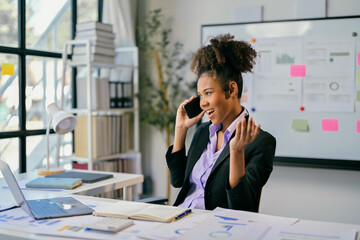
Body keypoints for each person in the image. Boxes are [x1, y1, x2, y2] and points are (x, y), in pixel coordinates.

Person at [165, 34, 276, 212]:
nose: (202, 102)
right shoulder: (202, 132)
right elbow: (177, 181)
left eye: (208, 93)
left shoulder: (260, 142)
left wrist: (237, 151)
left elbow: (243, 207)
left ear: (231, 89)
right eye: (200, 95)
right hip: (180, 218)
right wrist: (180, 129)